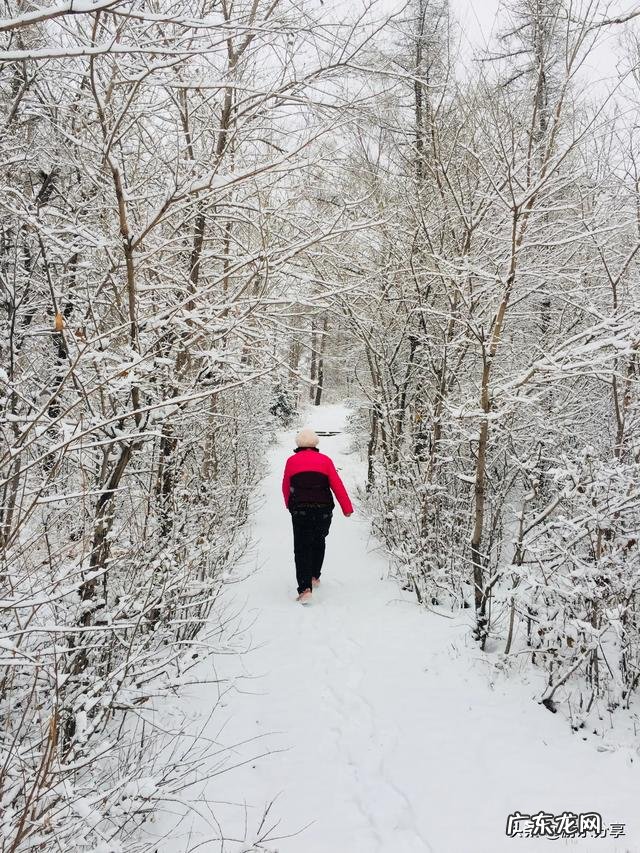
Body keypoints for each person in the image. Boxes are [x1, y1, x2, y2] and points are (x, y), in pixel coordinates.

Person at [282, 428, 353, 603]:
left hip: (301, 509)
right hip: (323, 510)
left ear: (298, 444)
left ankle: (305, 588)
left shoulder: (292, 461)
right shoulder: (325, 461)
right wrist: (347, 507)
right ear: (315, 444)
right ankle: (314, 575)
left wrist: (289, 506)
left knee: (302, 547)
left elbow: (286, 486)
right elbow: (337, 484)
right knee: (318, 540)